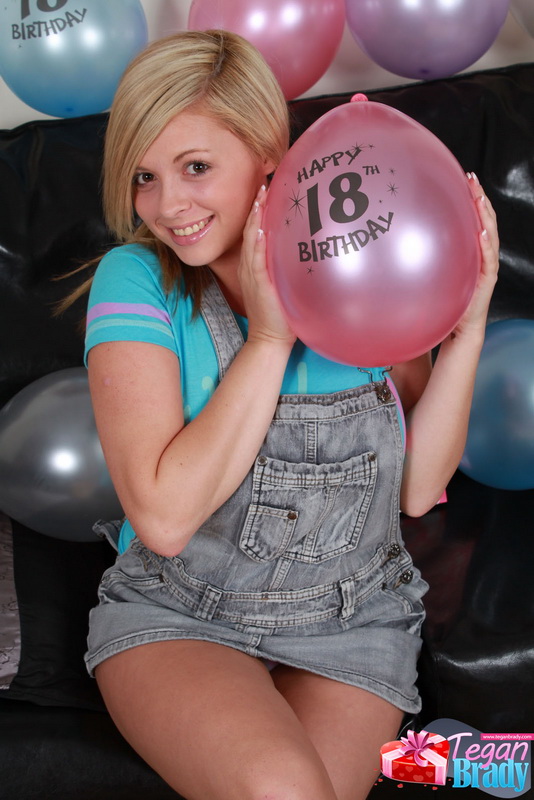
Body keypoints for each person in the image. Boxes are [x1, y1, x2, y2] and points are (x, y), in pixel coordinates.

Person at [81, 29, 499, 800]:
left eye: (196, 167)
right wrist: (270, 339)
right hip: (182, 612)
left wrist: (467, 328)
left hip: (352, 616)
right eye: (144, 176)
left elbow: (417, 490)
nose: (167, 206)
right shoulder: (136, 279)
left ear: (269, 152)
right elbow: (164, 520)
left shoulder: (359, 257)